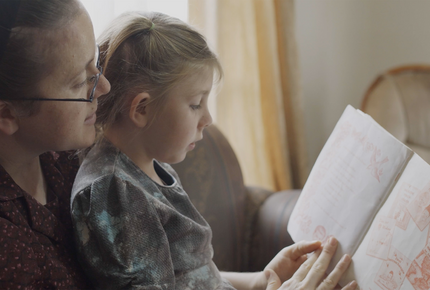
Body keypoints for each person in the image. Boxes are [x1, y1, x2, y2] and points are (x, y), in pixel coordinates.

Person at [70, 11, 357, 290]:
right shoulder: (114, 193)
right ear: (142, 108)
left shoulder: (148, 167)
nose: (207, 119)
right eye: (196, 103)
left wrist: (261, 279)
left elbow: (193, 277)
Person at [0, 0, 110, 288]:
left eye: (95, 65)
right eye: (78, 83)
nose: (104, 86)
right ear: (7, 113)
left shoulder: (71, 158)